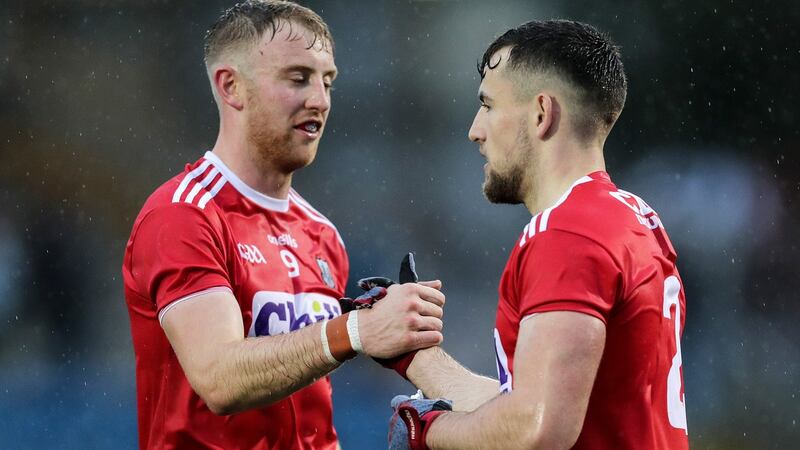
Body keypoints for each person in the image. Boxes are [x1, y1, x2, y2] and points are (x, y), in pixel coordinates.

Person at [121, 1, 446, 449]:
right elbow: (219, 379)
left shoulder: (322, 233)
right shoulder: (183, 215)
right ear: (231, 87)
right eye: (298, 79)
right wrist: (354, 331)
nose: (320, 100)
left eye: (327, 81)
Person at [387, 20, 689, 449]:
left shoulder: (567, 233)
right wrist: (412, 355)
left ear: (541, 113)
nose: (475, 129)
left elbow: (538, 427)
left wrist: (429, 432)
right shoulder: (630, 218)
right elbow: (533, 402)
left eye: (488, 105)